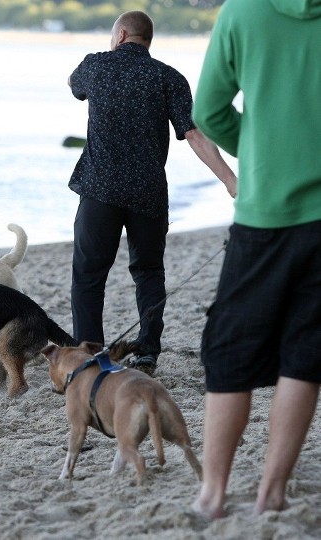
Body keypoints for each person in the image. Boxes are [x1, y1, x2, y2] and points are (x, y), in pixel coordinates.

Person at [191, 0, 321, 519]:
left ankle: (212, 495)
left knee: (229, 354)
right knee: (305, 355)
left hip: (264, 215)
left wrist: (264, 148)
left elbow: (209, 112)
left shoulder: (242, 13)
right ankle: (272, 494)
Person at [66, 11, 236, 374]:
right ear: (148, 39)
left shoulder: (96, 66)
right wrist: (229, 179)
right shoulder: (169, 77)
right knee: (148, 273)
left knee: (88, 277)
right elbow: (194, 135)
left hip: (100, 191)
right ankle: (146, 352)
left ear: (121, 33)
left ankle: (90, 355)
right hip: (148, 195)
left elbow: (73, 84)